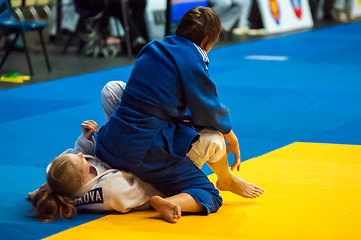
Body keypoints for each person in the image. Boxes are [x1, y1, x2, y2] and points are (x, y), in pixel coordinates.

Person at [95, 7, 264, 223]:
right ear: (207, 40)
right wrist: (232, 137)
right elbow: (209, 108)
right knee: (209, 191)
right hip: (144, 152)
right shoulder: (192, 58)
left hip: (108, 143)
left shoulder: (153, 47)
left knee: (114, 89)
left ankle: (221, 178)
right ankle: (174, 200)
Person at [29, 120, 162, 221]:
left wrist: (86, 139)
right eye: (81, 161)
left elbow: (78, 156)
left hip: (125, 162)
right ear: (82, 181)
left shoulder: (60, 178)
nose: (81, 155)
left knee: (110, 90)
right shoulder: (109, 191)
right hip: (154, 182)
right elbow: (145, 189)